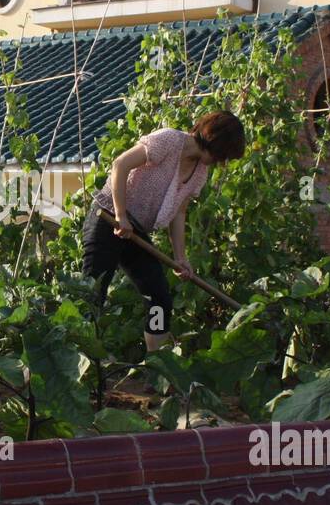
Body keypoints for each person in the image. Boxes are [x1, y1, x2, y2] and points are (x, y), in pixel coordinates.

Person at [82, 111, 245, 354]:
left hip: (134, 232)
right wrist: (121, 215)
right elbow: (120, 165)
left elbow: (179, 213)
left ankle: (156, 361)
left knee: (159, 299)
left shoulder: (200, 172)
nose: (222, 161)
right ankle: (81, 362)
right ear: (216, 141)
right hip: (108, 220)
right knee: (92, 294)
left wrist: (181, 257)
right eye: (224, 153)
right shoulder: (168, 140)